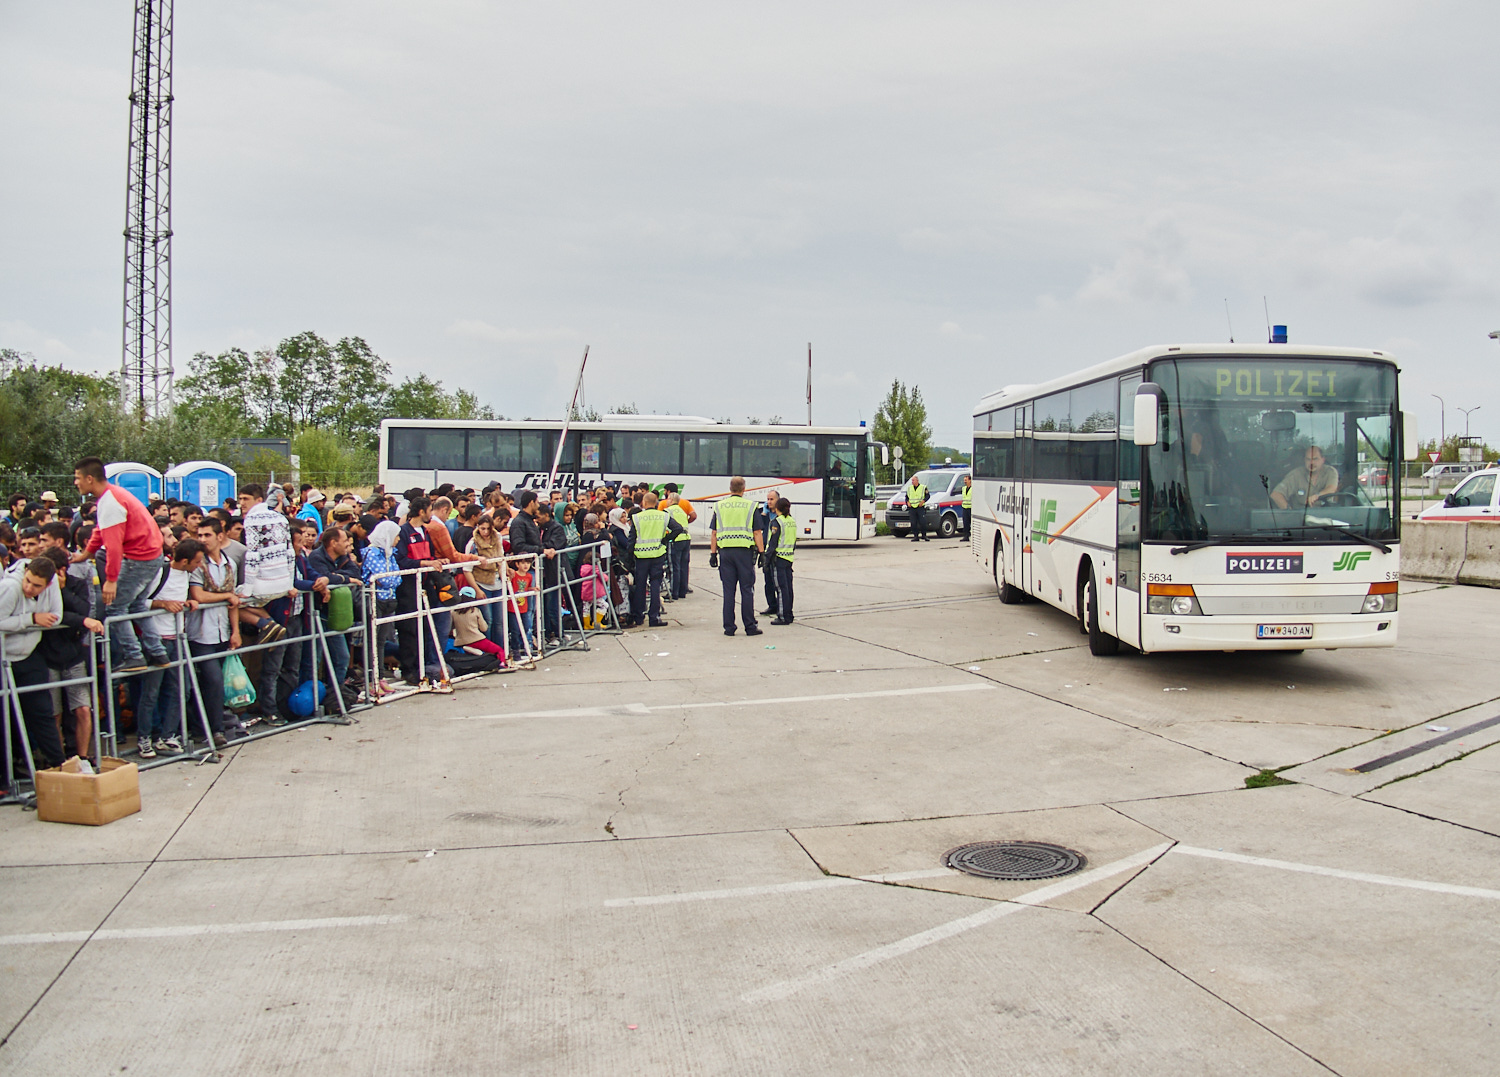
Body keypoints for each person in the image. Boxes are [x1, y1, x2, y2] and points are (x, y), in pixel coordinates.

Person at [71, 456, 169, 672]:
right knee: (135, 605)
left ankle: (134, 656)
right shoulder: (111, 496)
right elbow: (100, 532)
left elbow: (113, 547)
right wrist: (86, 554)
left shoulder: (110, 502)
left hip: (140, 558)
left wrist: (111, 580)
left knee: (114, 608)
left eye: (77, 478)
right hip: (151, 555)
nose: (75, 482)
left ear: (89, 479)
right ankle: (158, 652)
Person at [131, 538, 203, 758]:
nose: (199, 565)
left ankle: (168, 735)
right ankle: (145, 738)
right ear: (183, 561)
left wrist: (187, 602)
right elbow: (136, 602)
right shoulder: (159, 573)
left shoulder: (187, 575)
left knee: (180, 689)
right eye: (196, 561)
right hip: (157, 640)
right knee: (151, 692)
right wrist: (163, 604)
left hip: (178, 637)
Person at [0, 558, 67, 780]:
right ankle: (5, 778)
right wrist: (30, 619)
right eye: (27, 581)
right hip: (4, 658)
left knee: (42, 713)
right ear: (25, 573)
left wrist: (26, 622)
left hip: (28, 656)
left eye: (36, 585)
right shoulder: (10, 587)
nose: (29, 588)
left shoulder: (52, 585)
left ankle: (61, 767)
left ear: (47, 585)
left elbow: (56, 616)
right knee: (4, 719)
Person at [36, 546, 104, 760]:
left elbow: (84, 610)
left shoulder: (77, 585)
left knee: (83, 709)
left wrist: (63, 590)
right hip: (48, 656)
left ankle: (83, 757)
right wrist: (80, 620)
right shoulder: (39, 589)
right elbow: (53, 616)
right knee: (53, 714)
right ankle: (58, 759)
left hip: (73, 655)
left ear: (63, 571)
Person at [189, 518, 246, 745]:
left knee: (219, 681)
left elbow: (233, 602)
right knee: (211, 680)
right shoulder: (198, 564)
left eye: (207, 535)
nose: (202, 540)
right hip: (200, 633)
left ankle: (215, 725)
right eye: (200, 536)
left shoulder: (229, 563)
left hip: (222, 630)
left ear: (219, 536)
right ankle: (214, 730)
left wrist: (235, 631)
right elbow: (198, 595)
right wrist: (226, 596)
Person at [308, 526, 361, 699]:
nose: (348, 545)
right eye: (345, 540)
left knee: (342, 657)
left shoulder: (343, 557)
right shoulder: (316, 557)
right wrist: (344, 579)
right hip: (318, 614)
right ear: (333, 543)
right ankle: (312, 697)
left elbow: (355, 573)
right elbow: (320, 576)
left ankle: (335, 695)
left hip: (337, 614)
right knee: (313, 660)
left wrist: (335, 576)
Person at [708, 477, 764, 637]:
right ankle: (750, 626)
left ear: (730, 488)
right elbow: (757, 532)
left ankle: (729, 627)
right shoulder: (751, 506)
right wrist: (761, 553)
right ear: (744, 488)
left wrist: (713, 554)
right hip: (744, 553)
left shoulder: (719, 506)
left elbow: (714, 533)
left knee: (728, 591)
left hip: (725, 553)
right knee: (747, 590)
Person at [626, 492, 686, 628]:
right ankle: (654, 617)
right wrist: (666, 540)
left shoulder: (636, 518)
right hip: (658, 555)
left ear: (644, 503)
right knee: (655, 585)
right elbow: (678, 528)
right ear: (657, 503)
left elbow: (631, 540)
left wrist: (630, 557)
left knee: (640, 586)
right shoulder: (664, 516)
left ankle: (639, 616)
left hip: (641, 557)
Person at [1271, 445, 1340, 510]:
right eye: (1308, 459)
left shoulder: (1330, 472)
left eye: (1315, 459)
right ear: (1304, 460)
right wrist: (1290, 512)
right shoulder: (1296, 474)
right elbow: (1275, 494)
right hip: (1301, 519)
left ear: (1323, 460)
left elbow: (1332, 488)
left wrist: (1317, 496)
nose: (1311, 462)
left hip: (1325, 517)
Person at [767, 496, 798, 624]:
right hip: (789, 558)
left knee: (780, 588)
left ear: (777, 508)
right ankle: (789, 614)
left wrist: (766, 559)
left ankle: (782, 616)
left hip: (778, 558)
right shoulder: (792, 521)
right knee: (788, 588)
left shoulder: (777, 522)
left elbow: (773, 543)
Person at [755, 489, 780, 615]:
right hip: (765, 551)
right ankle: (772, 605)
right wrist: (764, 514)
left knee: (778, 583)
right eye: (768, 499)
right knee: (768, 582)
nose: (769, 502)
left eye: (772, 499)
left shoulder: (781, 514)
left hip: (777, 553)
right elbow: (757, 528)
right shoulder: (762, 513)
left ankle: (780, 607)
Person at [666, 492, 693, 600]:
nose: (666, 501)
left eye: (668, 499)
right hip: (686, 539)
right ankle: (683, 591)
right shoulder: (681, 510)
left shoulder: (668, 511)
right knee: (684, 566)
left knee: (674, 567)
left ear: (672, 500)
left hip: (676, 539)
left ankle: (673, 593)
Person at [905, 473, 930, 542]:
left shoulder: (923, 487)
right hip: (912, 508)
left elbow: (928, 496)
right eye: (912, 481)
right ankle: (915, 536)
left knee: (922, 522)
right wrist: (907, 502)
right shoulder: (909, 488)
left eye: (913, 480)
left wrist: (923, 501)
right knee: (913, 522)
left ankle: (924, 535)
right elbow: (906, 497)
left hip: (920, 507)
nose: (912, 482)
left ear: (917, 481)